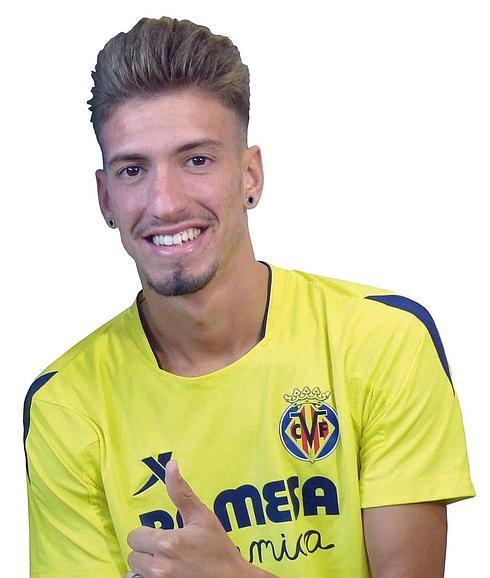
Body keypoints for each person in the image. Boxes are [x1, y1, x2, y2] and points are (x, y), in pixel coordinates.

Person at [23, 15, 475, 578]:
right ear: (105, 197)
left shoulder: (383, 343)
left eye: (197, 160)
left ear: (250, 175)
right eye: (133, 169)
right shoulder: (67, 405)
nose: (165, 202)